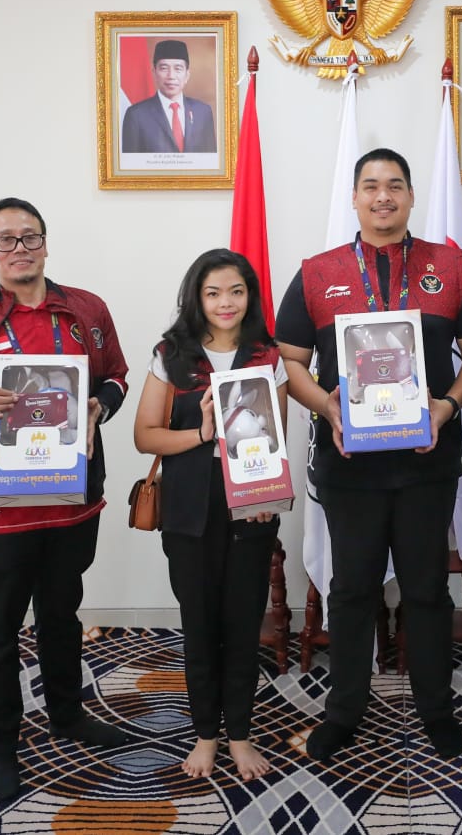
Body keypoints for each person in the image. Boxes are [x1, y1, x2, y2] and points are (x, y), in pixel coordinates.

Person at [275, 147, 462, 762]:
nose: (383, 196)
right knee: (351, 590)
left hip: (427, 458)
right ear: (354, 197)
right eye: (370, 186)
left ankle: (436, 710)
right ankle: (344, 711)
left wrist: (446, 406)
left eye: (395, 185)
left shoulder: (448, 266)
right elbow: (289, 360)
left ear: (412, 196)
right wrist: (330, 407)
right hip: (349, 462)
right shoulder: (317, 272)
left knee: (426, 589)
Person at [0, 196, 131, 802]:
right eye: (6, 240)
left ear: (46, 243)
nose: (20, 249)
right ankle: (0, 747)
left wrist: (101, 404)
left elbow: (117, 376)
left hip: (73, 502)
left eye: (30, 237)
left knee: (63, 615)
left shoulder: (86, 310)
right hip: (1, 512)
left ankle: (67, 715)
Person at [134, 248, 287, 781]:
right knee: (199, 625)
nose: (226, 303)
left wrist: (267, 498)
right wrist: (202, 433)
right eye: (214, 292)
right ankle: (205, 736)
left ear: (250, 297)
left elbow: (276, 440)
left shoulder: (267, 355)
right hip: (188, 513)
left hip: (252, 511)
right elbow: (144, 435)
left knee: (242, 625)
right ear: (197, 297)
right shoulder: (170, 353)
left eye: (237, 292)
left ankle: (240, 736)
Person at [121, 39, 217, 154]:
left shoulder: (203, 112)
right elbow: (130, 165)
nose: (171, 76)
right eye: (164, 68)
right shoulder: (136, 115)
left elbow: (210, 160)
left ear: (187, 75)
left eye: (178, 69)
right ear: (154, 73)